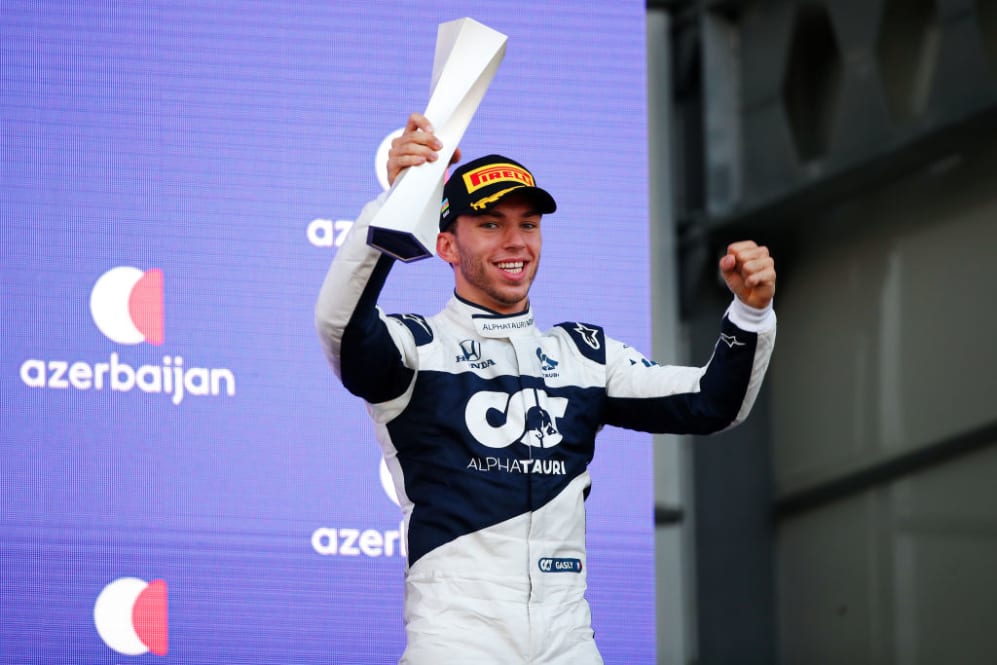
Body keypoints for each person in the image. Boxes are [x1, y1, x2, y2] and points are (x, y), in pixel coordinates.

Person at [315, 113, 776, 664]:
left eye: (528, 224)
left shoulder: (583, 355)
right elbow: (340, 326)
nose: (515, 241)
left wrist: (750, 314)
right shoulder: (416, 347)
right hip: (458, 640)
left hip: (567, 642)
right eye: (490, 225)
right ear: (446, 245)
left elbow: (713, 402)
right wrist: (395, 203)